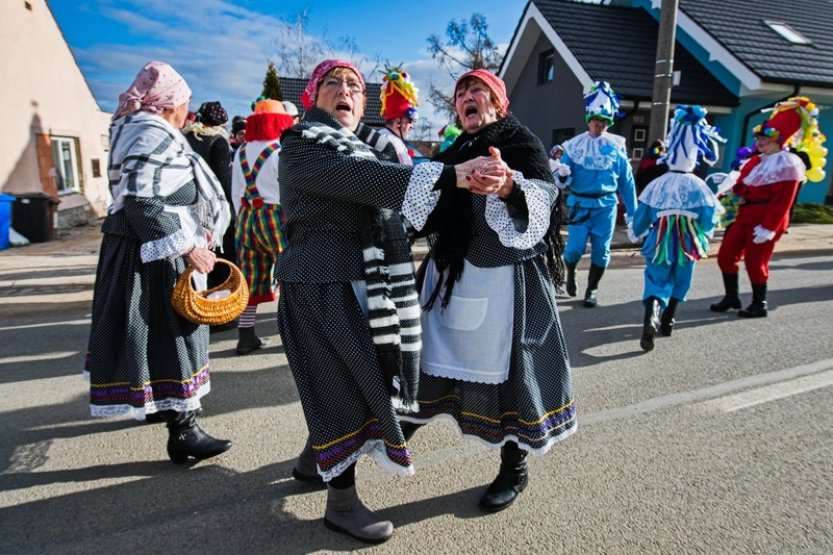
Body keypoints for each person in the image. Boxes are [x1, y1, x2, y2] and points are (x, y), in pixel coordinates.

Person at [276, 59, 500, 544]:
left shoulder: (366, 147)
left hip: (359, 282)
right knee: (339, 388)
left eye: (354, 86)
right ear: (313, 95)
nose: (345, 90)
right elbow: (364, 181)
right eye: (333, 83)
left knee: (346, 382)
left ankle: (312, 460)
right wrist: (452, 175)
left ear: (364, 103)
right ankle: (341, 506)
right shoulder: (302, 142)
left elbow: (399, 207)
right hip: (319, 283)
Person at [399, 69, 576, 513]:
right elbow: (425, 209)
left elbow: (547, 198)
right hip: (449, 278)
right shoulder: (453, 152)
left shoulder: (519, 141)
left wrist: (509, 186)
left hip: (505, 282)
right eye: (461, 94)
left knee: (512, 374)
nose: (467, 98)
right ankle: (401, 428)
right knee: (428, 359)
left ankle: (514, 468)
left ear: (498, 102)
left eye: (476, 90)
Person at [84, 61, 232, 464]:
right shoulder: (151, 132)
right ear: (169, 104)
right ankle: (184, 430)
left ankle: (160, 406)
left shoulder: (135, 128)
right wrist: (188, 248)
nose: (187, 110)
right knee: (176, 332)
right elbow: (141, 199)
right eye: (184, 102)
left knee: (150, 334)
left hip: (140, 245)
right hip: (153, 250)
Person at [711, 97, 825, 318]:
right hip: (744, 215)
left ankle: (759, 303)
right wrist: (727, 183)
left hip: (766, 218)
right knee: (725, 256)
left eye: (765, 138)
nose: (760, 141)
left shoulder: (789, 163)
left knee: (755, 261)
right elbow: (741, 186)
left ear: (777, 140)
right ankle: (731, 297)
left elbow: (784, 201)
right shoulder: (756, 161)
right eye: (759, 138)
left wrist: (769, 227)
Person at [630, 105, 725, 351]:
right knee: (682, 278)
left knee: (656, 278)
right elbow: (708, 218)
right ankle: (669, 319)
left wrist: (636, 231)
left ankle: (651, 317)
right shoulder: (699, 185)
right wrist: (704, 231)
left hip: (659, 239)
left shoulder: (658, 184)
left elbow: (643, 215)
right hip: (687, 241)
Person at [556, 81, 637, 307]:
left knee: (601, 251)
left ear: (608, 122)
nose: (599, 124)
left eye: (603, 121)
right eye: (595, 120)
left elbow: (627, 182)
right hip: (579, 204)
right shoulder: (574, 147)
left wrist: (633, 214)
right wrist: (562, 174)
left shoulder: (616, 148)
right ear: (589, 120)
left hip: (606, 206)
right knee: (574, 249)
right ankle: (571, 271)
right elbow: (561, 179)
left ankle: (592, 289)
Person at [230, 99, 294, 354]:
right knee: (291, 276)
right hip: (275, 217)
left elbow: (235, 191)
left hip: (246, 217)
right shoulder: (280, 150)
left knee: (250, 278)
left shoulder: (241, 151)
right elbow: (289, 191)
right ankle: (295, 336)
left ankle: (246, 336)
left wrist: (241, 219)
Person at [183, 101, 237, 329]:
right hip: (213, 211)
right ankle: (219, 315)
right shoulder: (217, 141)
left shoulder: (184, 138)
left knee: (194, 265)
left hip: (188, 210)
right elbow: (224, 180)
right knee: (220, 262)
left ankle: (194, 308)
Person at [378, 64, 419, 165]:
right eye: (410, 120)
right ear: (398, 123)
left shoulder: (385, 138)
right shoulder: (391, 143)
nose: (411, 126)